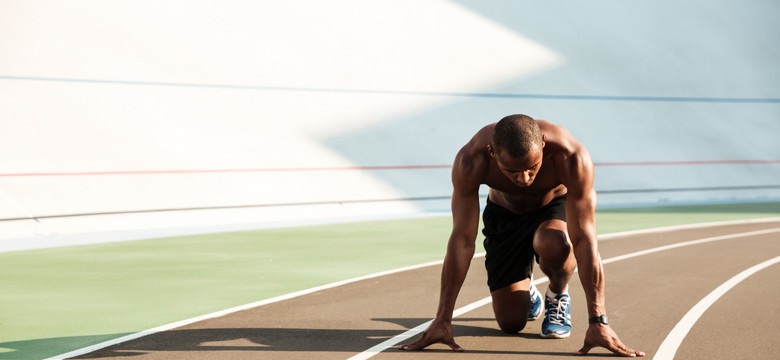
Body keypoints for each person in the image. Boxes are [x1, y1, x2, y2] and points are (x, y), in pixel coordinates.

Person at [399, 114, 644, 357]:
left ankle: (557, 292)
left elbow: (584, 240)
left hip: (552, 208)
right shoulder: (471, 160)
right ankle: (526, 292)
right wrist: (443, 318)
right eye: (512, 171)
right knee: (510, 323)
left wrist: (598, 320)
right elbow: (462, 241)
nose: (524, 178)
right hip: (504, 216)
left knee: (556, 243)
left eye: (532, 168)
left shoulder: (570, 156)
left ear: (544, 144)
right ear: (492, 154)